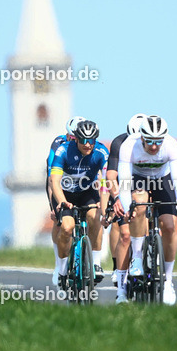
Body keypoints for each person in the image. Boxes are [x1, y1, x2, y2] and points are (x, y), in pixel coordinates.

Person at [116, 115, 177, 305]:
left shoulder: (171, 145)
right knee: (139, 205)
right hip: (137, 178)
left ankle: (168, 281)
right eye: (149, 141)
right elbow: (124, 184)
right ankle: (137, 257)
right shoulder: (129, 146)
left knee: (169, 227)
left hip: (162, 178)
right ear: (141, 137)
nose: (153, 146)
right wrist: (128, 209)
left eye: (158, 141)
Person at [48, 119, 110, 290]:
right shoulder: (63, 150)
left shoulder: (101, 152)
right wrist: (61, 202)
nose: (87, 145)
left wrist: (104, 209)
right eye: (83, 140)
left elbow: (106, 183)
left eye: (91, 141)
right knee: (67, 228)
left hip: (86, 192)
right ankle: (61, 270)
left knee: (95, 216)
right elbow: (54, 181)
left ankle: (96, 263)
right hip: (65, 193)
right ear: (76, 139)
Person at [105, 113, 146, 302]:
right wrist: (116, 199)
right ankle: (119, 272)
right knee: (124, 233)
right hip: (125, 182)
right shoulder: (119, 143)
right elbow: (112, 176)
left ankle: (152, 253)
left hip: (147, 181)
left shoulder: (154, 144)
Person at [45, 116, 85, 250]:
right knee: (58, 220)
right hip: (60, 181)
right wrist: (53, 206)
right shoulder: (59, 144)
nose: (77, 143)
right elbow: (52, 179)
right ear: (68, 136)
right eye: (73, 139)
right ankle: (59, 263)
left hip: (81, 183)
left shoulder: (88, 146)